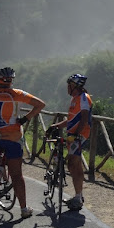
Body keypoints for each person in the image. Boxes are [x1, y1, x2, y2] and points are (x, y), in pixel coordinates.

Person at [0, 66, 46, 219]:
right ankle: (23, 209)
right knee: (16, 175)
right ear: (10, 82)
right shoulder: (17, 94)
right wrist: (25, 119)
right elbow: (40, 104)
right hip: (14, 138)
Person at [47, 73, 92, 210]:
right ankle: (78, 195)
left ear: (74, 86)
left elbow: (84, 117)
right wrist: (56, 126)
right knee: (73, 165)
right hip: (72, 135)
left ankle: (78, 198)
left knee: (74, 164)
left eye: (69, 85)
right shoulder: (75, 99)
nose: (67, 88)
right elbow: (72, 120)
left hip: (78, 136)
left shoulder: (83, 98)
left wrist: (77, 135)